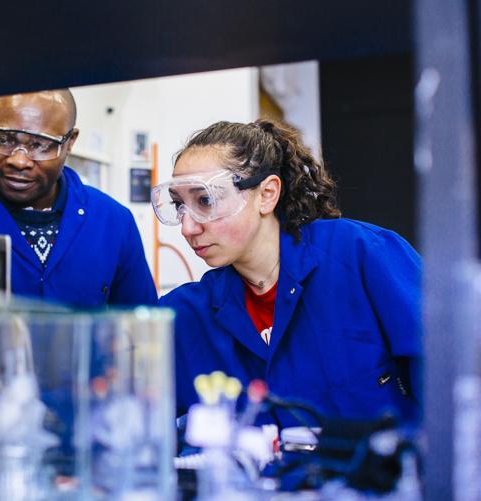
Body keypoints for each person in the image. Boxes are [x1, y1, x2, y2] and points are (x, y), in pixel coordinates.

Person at [154, 119, 421, 425]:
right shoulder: (184, 316)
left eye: (205, 200)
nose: (188, 227)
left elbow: (453, 373)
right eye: (179, 206)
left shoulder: (361, 255)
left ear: (267, 194)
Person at [0, 89, 157, 308]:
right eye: (2, 139)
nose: (18, 160)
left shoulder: (112, 222)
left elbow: (141, 335)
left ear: (70, 142)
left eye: (40, 145)